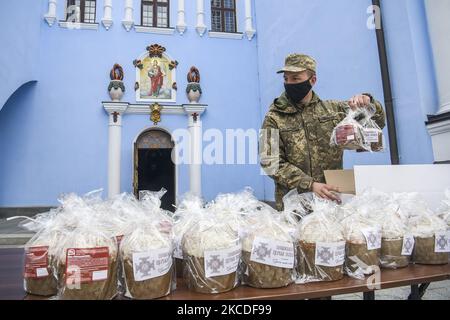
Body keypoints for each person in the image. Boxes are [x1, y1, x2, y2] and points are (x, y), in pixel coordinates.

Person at [260, 54, 386, 211]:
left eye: (296, 78)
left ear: (312, 80)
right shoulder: (273, 117)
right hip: (294, 207)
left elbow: (376, 123)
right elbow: (269, 162)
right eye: (286, 79)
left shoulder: (334, 111)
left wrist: (368, 101)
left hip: (332, 202)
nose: (289, 83)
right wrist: (310, 184)